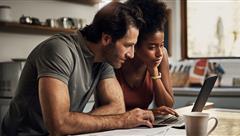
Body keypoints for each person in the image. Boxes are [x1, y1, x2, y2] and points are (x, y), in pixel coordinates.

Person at [1, 2, 155, 136]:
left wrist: (74, 123)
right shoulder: (59, 50)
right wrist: (122, 121)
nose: (132, 54)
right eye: (128, 45)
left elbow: (117, 106)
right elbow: (59, 125)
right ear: (107, 39)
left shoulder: (105, 60)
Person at [115, 0, 178, 116]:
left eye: (162, 44)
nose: (159, 53)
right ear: (134, 44)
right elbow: (107, 111)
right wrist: (147, 113)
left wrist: (153, 72)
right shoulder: (117, 59)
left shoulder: (161, 56)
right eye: (151, 47)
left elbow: (167, 105)